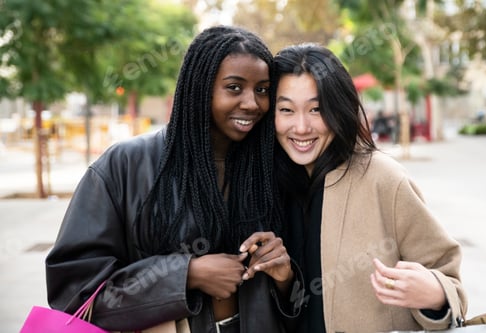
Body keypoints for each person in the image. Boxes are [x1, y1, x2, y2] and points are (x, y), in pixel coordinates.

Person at [45, 26, 301, 332]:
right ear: (200, 88)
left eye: (262, 90)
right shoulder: (126, 165)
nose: (252, 103)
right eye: (234, 87)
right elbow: (74, 290)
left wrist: (285, 276)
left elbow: (306, 297)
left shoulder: (272, 168)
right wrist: (186, 274)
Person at [272, 43, 467, 333]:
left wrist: (434, 293)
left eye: (316, 109)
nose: (301, 127)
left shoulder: (383, 178)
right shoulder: (267, 184)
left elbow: (451, 284)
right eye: (286, 109)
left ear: (338, 108)